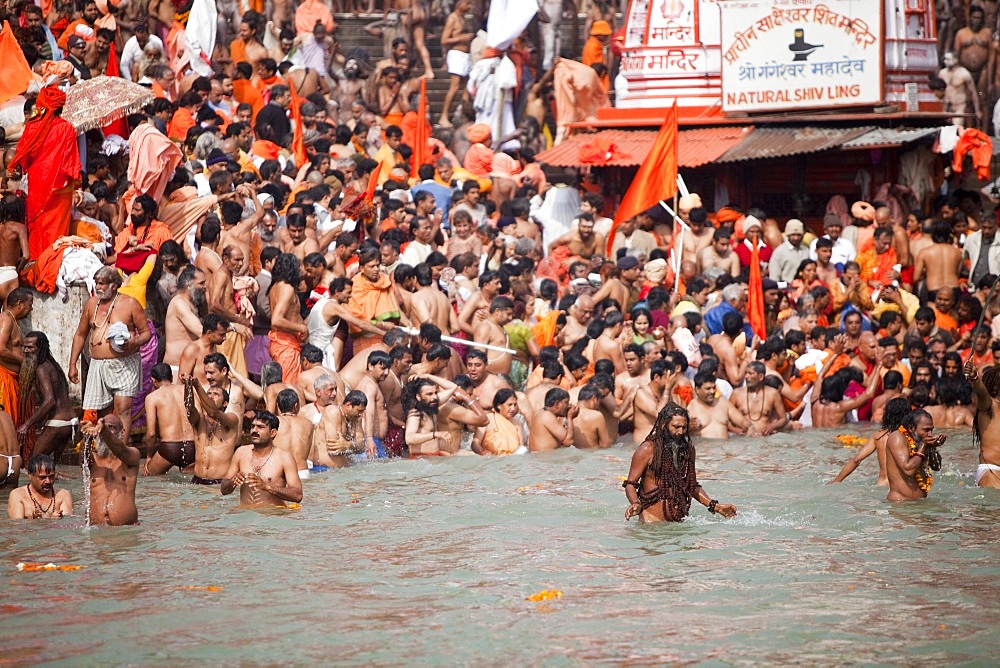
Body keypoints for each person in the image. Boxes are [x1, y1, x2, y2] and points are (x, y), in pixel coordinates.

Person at [69, 267, 152, 440]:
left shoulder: (130, 304)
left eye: (102, 283)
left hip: (125, 363)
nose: (98, 286)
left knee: (123, 407)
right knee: (103, 412)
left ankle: (121, 450)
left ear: (114, 285)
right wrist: (72, 364)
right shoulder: (92, 304)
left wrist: (134, 342)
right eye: (96, 282)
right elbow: (80, 334)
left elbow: (146, 333)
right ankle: (105, 448)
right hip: (98, 364)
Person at [623, 403, 737, 523]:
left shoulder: (688, 450)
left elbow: (691, 486)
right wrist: (636, 504)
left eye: (684, 427)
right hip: (650, 525)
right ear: (663, 425)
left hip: (678, 524)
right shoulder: (648, 449)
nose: (681, 431)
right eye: (676, 427)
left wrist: (716, 506)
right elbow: (631, 483)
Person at [9, 86, 81, 260]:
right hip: (59, 192)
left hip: (36, 189)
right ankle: (50, 268)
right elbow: (70, 165)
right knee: (55, 233)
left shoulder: (32, 126)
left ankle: (35, 266)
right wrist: (78, 185)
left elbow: (22, 157)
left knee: (36, 228)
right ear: (60, 107)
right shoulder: (66, 129)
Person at [221, 411, 303, 508]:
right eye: (252, 426)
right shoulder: (241, 453)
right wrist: (232, 481)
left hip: (271, 518)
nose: (254, 430)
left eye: (260, 427)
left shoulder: (284, 458)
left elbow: (298, 495)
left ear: (273, 433)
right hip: (245, 518)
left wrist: (267, 486)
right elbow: (224, 490)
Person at [831, 396, 910, 486]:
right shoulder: (907, 437)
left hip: (881, 484)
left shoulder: (877, 436)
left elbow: (856, 460)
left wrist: (836, 481)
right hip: (899, 487)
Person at [81, 415, 141, 526]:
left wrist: (103, 430)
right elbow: (82, 458)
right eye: (104, 427)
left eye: (111, 427)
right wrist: (88, 436)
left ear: (122, 432)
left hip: (125, 532)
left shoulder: (133, 455)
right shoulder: (93, 459)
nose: (105, 432)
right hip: (95, 533)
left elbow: (121, 450)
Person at [143, 364, 197, 475]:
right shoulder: (190, 391)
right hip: (193, 445)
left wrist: (148, 457)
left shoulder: (152, 397)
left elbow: (151, 433)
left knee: (148, 477)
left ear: (153, 380)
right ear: (172, 377)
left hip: (170, 447)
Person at [884, 409, 945, 501]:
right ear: (911, 428)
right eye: (926, 430)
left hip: (920, 504)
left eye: (931, 430)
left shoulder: (919, 442)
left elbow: (936, 467)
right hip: (901, 504)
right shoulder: (897, 437)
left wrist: (932, 447)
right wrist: (924, 445)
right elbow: (908, 470)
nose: (930, 434)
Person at [403, 376, 458, 457]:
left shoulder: (432, 404)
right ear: (418, 397)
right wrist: (435, 434)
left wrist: (428, 375)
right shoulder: (415, 413)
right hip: (420, 461)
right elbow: (409, 438)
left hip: (433, 458)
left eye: (435, 393)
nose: (435, 397)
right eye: (429, 394)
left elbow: (453, 387)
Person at [966, 360, 1000, 488]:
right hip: (991, 471)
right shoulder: (988, 405)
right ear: (996, 388)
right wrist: (975, 378)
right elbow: (981, 392)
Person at [7, 454, 73, 519]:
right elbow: (16, 526)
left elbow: (68, 525)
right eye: (42, 477)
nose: (48, 481)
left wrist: (54, 521)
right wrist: (34, 521)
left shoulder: (63, 495)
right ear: (30, 475)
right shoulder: (18, 495)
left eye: (51, 476)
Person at [686, 370, 748, 439]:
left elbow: (742, 421)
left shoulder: (723, 403)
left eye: (714, 387)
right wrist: (689, 427)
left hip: (727, 447)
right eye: (708, 388)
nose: (712, 391)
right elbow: (679, 431)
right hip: (703, 447)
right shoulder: (690, 407)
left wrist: (751, 428)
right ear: (697, 389)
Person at [0, 288, 32, 423]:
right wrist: (22, 361)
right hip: (4, 379)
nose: (31, 309)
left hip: (13, 378)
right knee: (7, 422)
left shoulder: (13, 320)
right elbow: (0, 349)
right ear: (19, 304)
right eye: (29, 304)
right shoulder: (6, 319)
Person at [274, 388, 315, 479]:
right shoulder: (309, 424)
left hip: (280, 472)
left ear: (278, 405)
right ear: (296, 406)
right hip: (302, 472)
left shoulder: (273, 422)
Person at [528, 388, 578, 452]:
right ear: (557, 404)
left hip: (540, 458)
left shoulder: (540, 412)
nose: (568, 406)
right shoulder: (546, 416)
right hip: (544, 459)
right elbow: (568, 441)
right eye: (566, 402)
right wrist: (570, 417)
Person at [572, 384, 612, 449]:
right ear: (594, 398)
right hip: (592, 456)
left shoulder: (567, 413)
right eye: (598, 402)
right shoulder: (596, 416)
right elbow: (605, 445)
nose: (598, 405)